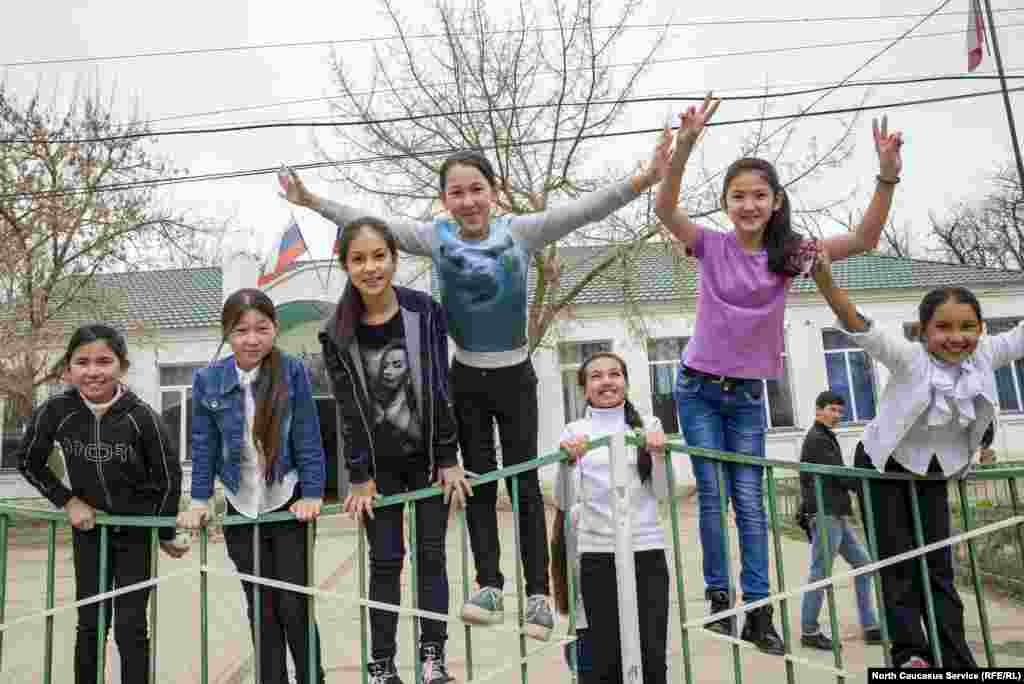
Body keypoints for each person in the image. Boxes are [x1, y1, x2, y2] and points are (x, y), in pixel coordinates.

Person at [283, 141, 666, 639]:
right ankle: (488, 583)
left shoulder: (521, 231)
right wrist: (312, 201)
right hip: (465, 377)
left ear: (493, 191)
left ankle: (537, 595)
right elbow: (369, 223)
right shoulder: (435, 238)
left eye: (476, 190)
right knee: (479, 481)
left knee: (525, 484)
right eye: (456, 193)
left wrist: (643, 178)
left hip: (514, 374)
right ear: (445, 200)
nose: (467, 201)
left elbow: (584, 210)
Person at [654, 93, 904, 654]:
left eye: (758, 195)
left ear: (775, 201)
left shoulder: (789, 254)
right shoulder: (710, 245)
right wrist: (687, 145)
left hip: (745, 397)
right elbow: (665, 210)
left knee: (750, 500)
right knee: (714, 495)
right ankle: (722, 602)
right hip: (695, 389)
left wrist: (886, 178)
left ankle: (760, 612)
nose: (748, 204)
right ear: (725, 203)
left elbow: (863, 240)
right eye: (737, 196)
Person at [811, 243, 1023, 669]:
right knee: (898, 563)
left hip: (933, 473)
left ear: (981, 328)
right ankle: (910, 655)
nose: (956, 337)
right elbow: (860, 327)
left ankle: (955, 658)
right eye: (943, 327)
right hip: (883, 467)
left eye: (967, 326)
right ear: (923, 331)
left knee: (938, 567)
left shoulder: (987, 354)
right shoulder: (910, 360)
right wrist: (825, 280)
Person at [320, 216, 471, 684]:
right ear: (346, 266)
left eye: (378, 256)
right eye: (358, 259)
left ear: (394, 258)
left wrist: (448, 457)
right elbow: (347, 410)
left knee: (432, 557)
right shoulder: (336, 332)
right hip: (378, 471)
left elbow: (440, 386)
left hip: (426, 462)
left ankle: (432, 658)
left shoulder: (424, 310)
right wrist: (358, 476)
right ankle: (382, 664)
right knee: (385, 562)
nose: (370, 267)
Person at [16, 323, 185, 684]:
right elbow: (29, 461)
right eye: (83, 362)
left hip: (135, 536)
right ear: (69, 368)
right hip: (90, 533)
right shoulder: (56, 411)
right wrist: (68, 501)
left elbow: (169, 478)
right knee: (90, 624)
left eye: (104, 361)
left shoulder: (142, 418)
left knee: (130, 627)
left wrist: (164, 530)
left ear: (122, 367)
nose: (93, 371)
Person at [178, 288, 327, 684]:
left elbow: (309, 436)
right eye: (241, 330)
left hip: (287, 500)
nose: (252, 338)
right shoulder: (209, 380)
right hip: (242, 506)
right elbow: (203, 443)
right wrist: (199, 499)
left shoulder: (291, 370)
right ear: (227, 333)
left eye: (262, 328)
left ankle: (313, 677)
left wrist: (312, 493)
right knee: (260, 605)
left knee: (294, 603)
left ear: (274, 330)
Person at [554, 351, 670, 684]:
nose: (607, 381)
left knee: (651, 653)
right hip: (596, 553)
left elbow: (662, 494)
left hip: (646, 549)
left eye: (614, 374)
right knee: (601, 657)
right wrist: (567, 462)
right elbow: (564, 500)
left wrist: (658, 454)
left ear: (625, 382)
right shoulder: (575, 430)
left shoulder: (648, 426)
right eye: (596, 376)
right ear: (585, 388)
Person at [798, 391, 881, 650]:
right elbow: (838, 475)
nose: (837, 416)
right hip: (825, 513)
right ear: (818, 410)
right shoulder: (817, 439)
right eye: (832, 410)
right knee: (820, 571)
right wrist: (869, 481)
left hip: (835, 512)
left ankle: (870, 626)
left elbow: (840, 476)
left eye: (840, 412)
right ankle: (809, 631)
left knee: (863, 564)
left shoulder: (825, 437)